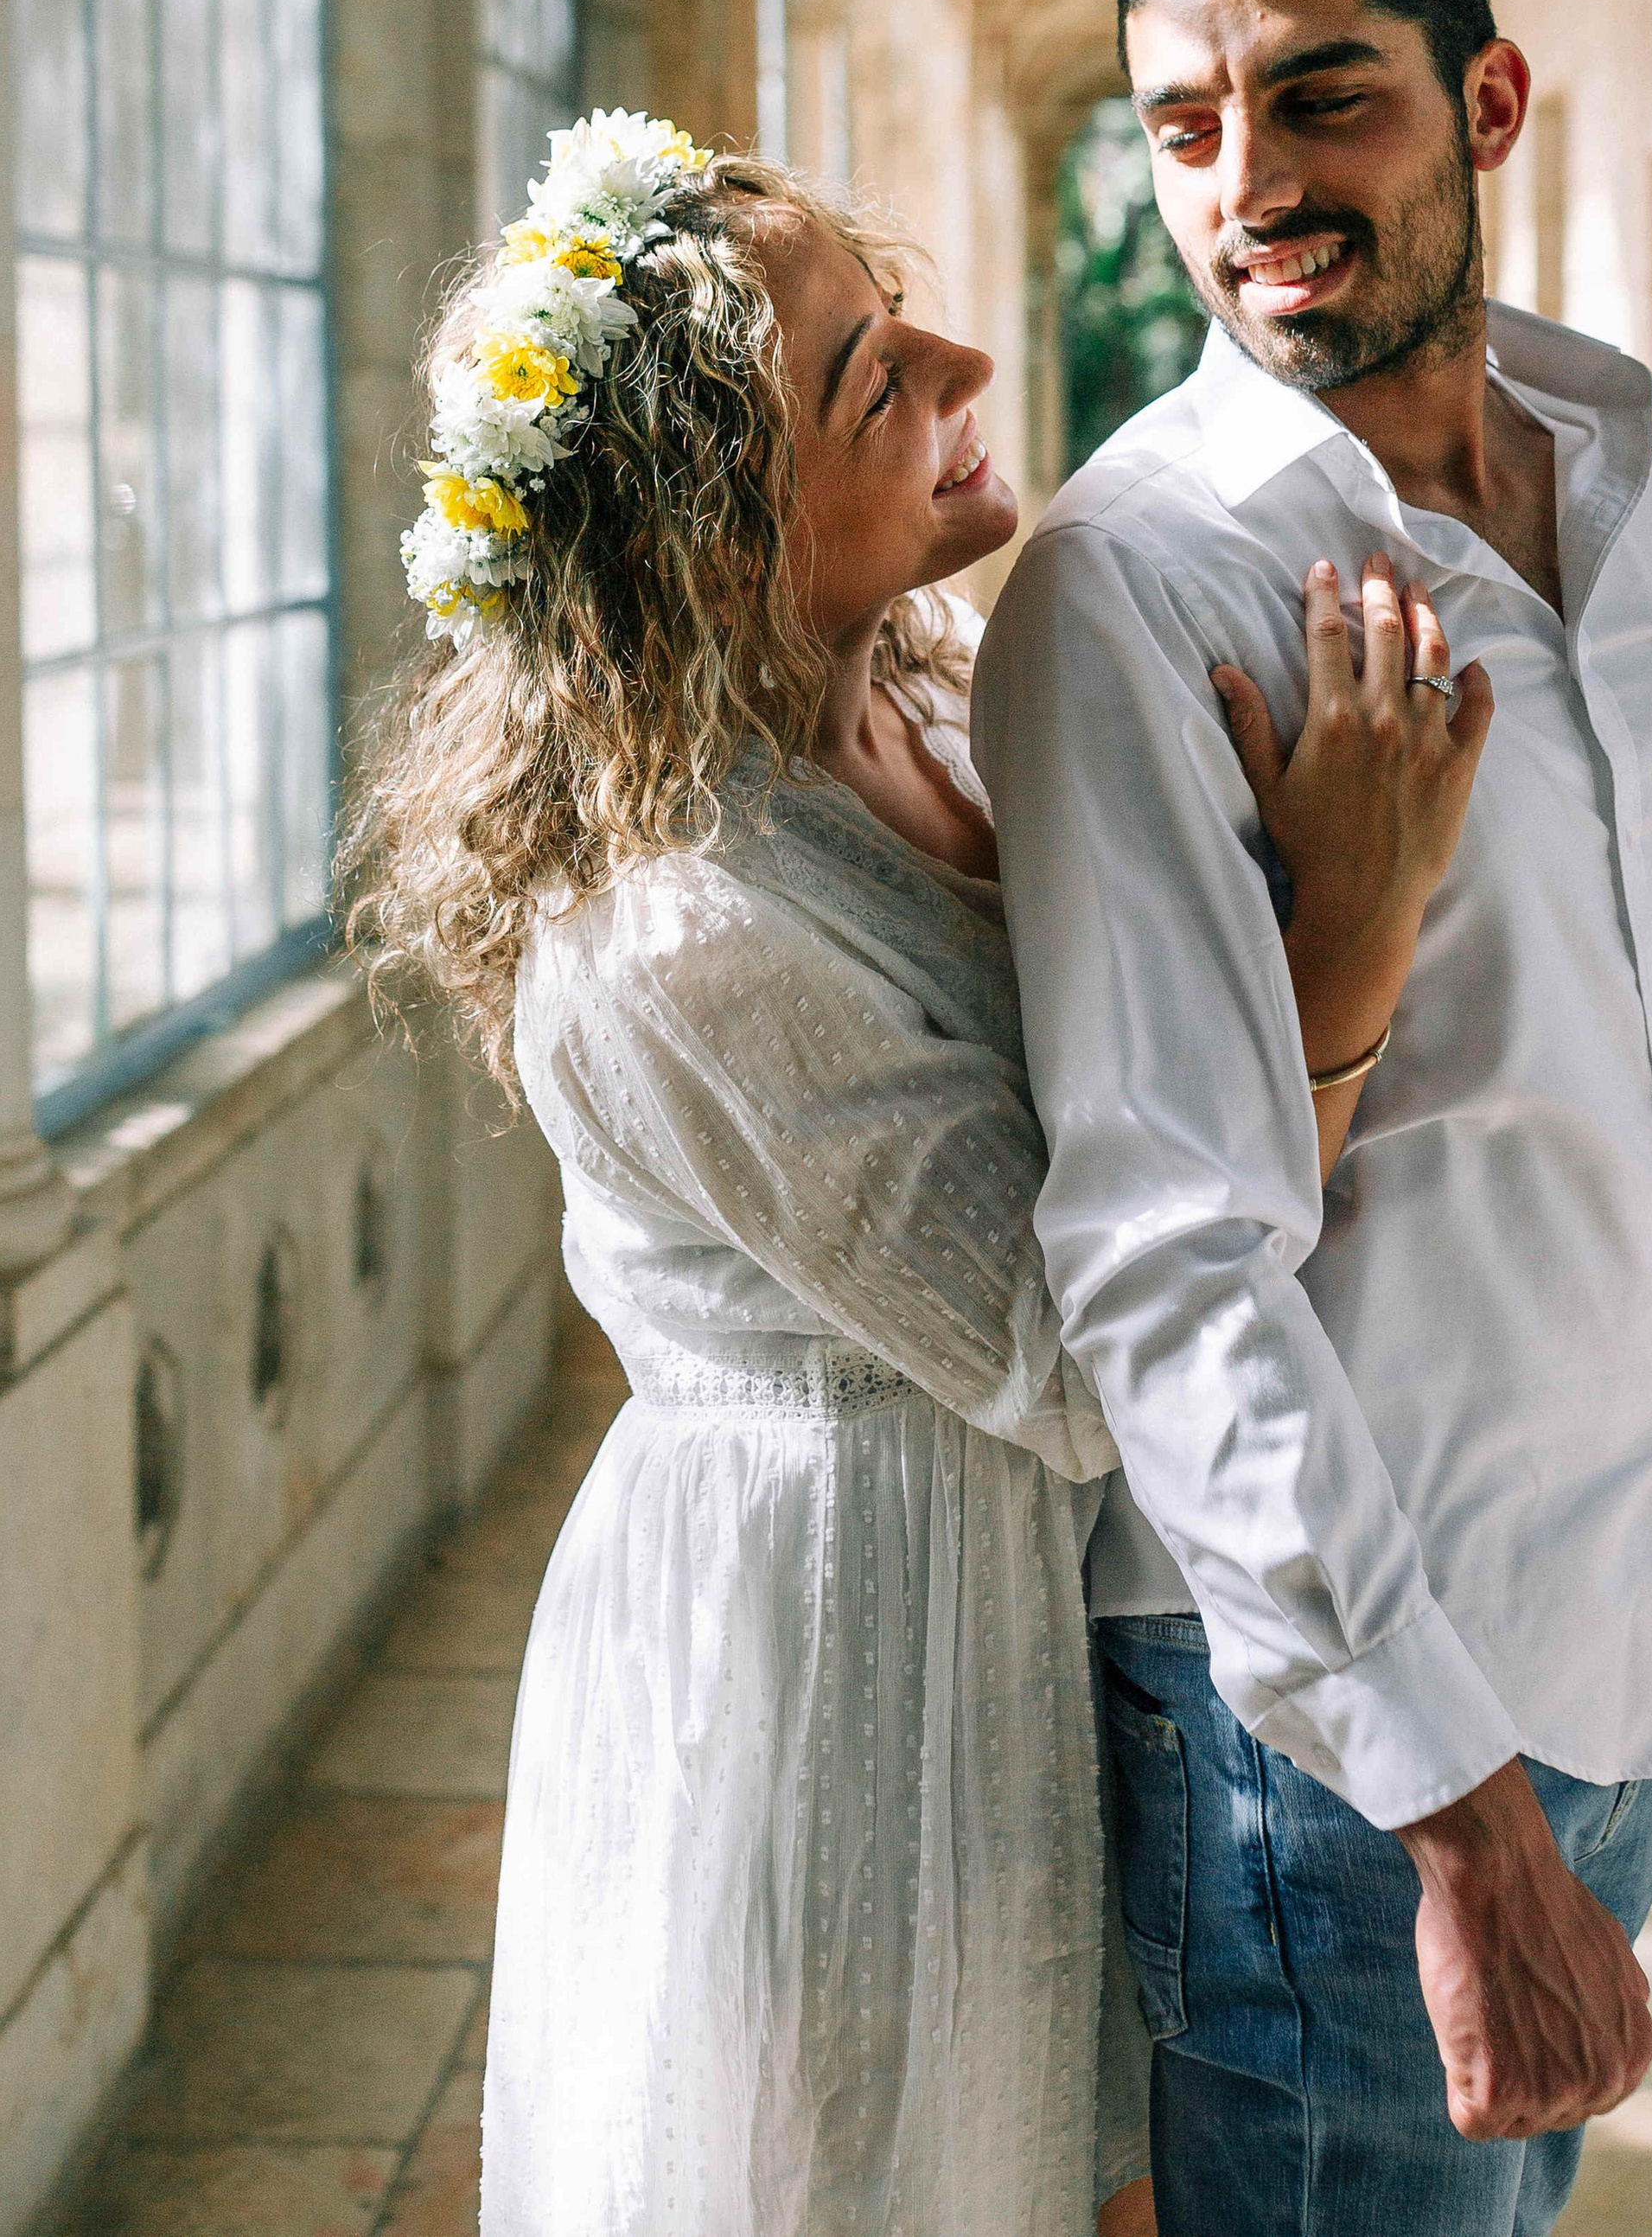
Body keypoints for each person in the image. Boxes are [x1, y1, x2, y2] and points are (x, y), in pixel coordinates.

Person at [343, 110, 1492, 2237]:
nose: (965, 370)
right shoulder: (679, 933)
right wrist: (1349, 929)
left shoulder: (945, 710)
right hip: (833, 1651)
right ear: (713, 529)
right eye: (875, 375)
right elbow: (1081, 1360)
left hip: (1017, 1595)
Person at [973, 0, 1652, 2237]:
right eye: (1183, 125)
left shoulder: (1609, 480)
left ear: (1490, 98)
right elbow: (1161, 1253)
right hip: (1337, 1741)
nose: (1248, 189)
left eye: (1321, 98)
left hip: (1610, 1602)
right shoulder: (1142, 588)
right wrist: (1455, 1820)